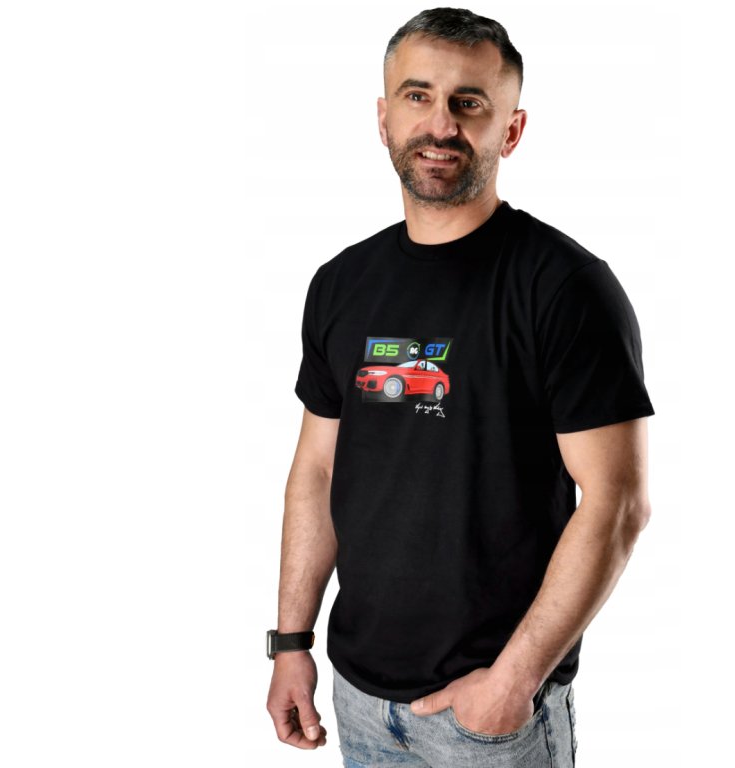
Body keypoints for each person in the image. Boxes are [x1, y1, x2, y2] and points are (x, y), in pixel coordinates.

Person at [266, 8, 655, 766]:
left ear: (511, 129)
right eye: (418, 96)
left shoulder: (566, 287)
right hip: (358, 697)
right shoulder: (341, 283)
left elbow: (618, 504)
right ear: (384, 118)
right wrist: (290, 642)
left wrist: (513, 682)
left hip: (491, 716)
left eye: (469, 103)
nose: (440, 124)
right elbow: (316, 469)